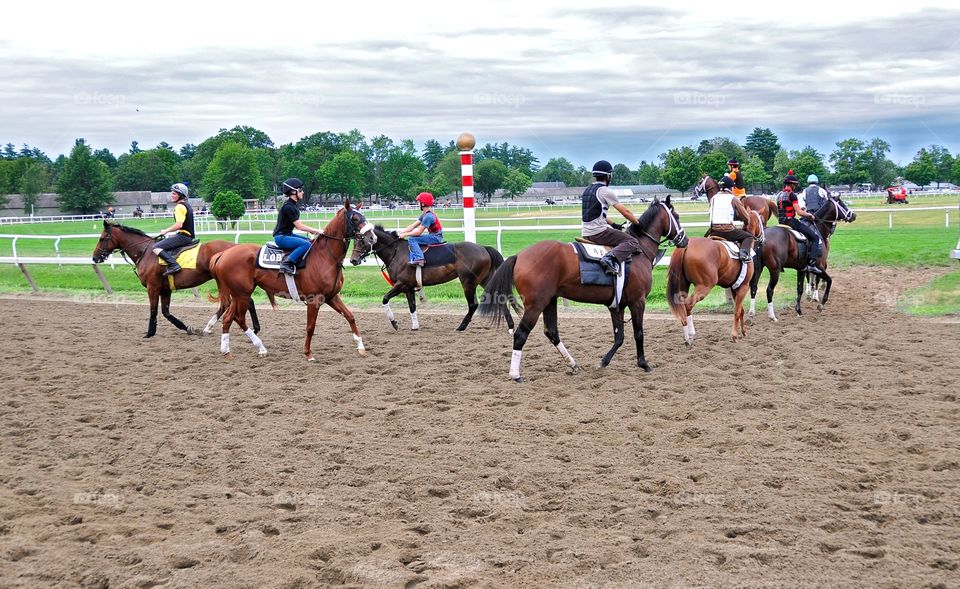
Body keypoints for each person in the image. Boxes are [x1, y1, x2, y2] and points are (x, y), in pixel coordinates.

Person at [581, 160, 640, 275]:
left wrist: (613, 224)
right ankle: (609, 259)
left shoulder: (587, 190)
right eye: (610, 175)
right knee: (632, 241)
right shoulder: (606, 191)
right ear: (608, 176)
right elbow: (626, 212)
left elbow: (598, 214)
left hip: (586, 232)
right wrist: (638, 223)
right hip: (598, 233)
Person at [776, 171, 823, 273]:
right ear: (792, 184)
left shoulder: (779, 194)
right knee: (815, 238)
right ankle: (811, 264)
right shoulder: (792, 195)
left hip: (780, 223)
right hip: (791, 222)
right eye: (795, 185)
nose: (795, 187)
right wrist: (809, 215)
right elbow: (799, 212)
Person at [272, 178, 322, 275]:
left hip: (288, 235)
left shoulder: (293, 205)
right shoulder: (289, 207)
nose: (303, 192)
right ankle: (286, 262)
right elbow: (299, 226)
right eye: (300, 190)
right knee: (306, 245)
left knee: (309, 241)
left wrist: (312, 231)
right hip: (281, 237)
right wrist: (316, 230)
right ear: (293, 191)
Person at [707, 174, 755, 262]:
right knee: (748, 237)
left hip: (713, 230)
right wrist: (746, 223)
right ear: (731, 188)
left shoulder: (713, 198)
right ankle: (743, 255)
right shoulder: (733, 198)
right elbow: (745, 216)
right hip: (727, 231)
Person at [154, 183, 196, 276]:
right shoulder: (186, 205)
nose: (171, 196)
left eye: (174, 194)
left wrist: (166, 231)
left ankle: (174, 265)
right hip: (186, 236)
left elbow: (179, 225)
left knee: (156, 247)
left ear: (180, 195)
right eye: (172, 193)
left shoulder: (179, 207)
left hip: (183, 237)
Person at [398, 192, 444, 266]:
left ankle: (419, 259)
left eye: (419, 202)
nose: (418, 204)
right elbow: (412, 226)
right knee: (412, 237)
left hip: (436, 237)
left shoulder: (428, 217)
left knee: (412, 239)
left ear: (423, 204)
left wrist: (405, 235)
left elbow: (419, 232)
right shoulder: (424, 214)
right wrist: (401, 232)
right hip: (433, 235)